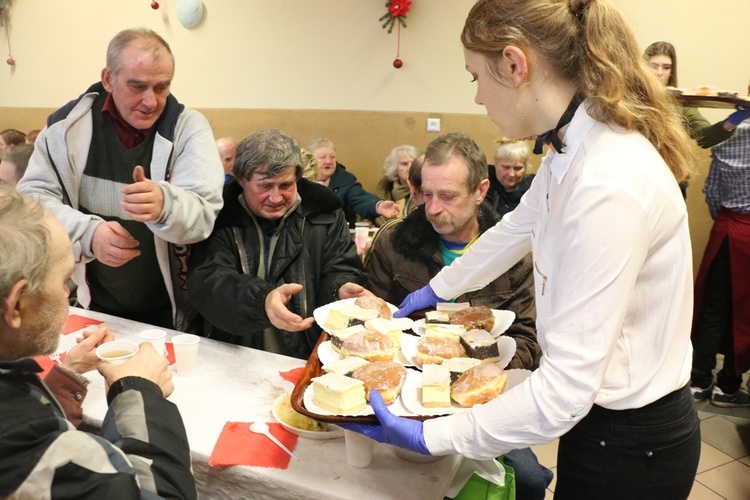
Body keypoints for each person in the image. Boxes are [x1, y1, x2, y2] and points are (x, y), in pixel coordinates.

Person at [346, 1, 701, 498]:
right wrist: (437, 288)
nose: (477, 97)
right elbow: (515, 229)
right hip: (602, 425)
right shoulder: (569, 148)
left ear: (515, 65)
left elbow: (563, 395)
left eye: (475, 77)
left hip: (631, 441)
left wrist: (434, 436)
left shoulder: (607, 181)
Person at [365, 132, 551, 499]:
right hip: (407, 396)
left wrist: (478, 371)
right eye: (426, 194)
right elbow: (377, 329)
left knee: (530, 481)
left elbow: (529, 340)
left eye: (448, 196)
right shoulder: (392, 242)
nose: (432, 208)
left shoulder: (514, 254)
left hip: (481, 401)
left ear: (481, 191)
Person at [17, 28, 224, 331]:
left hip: (175, 313)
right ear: (108, 78)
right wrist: (88, 235)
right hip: (95, 308)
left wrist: (166, 205)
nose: (151, 101)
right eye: (137, 86)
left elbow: (205, 214)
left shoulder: (189, 128)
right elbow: (32, 202)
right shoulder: (65, 128)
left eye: (161, 87)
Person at [0, 185, 196, 498]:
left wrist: (63, 379)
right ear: (17, 305)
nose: (68, 294)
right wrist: (139, 394)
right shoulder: (19, 448)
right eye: (65, 280)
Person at [187, 128, 367, 359]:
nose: (276, 197)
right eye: (265, 186)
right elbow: (210, 280)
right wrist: (262, 301)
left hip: (307, 352)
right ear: (241, 179)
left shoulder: (325, 212)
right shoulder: (218, 215)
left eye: (285, 185)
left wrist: (341, 287)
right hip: (235, 352)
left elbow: (340, 266)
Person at [690, 78, 750, 408]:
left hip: (726, 228)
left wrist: (725, 217)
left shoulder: (730, 133)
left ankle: (699, 381)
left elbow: (711, 191)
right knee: (746, 312)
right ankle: (728, 386)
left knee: (713, 306)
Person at [644, 41, 750, 197]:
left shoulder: (681, 103)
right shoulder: (630, 101)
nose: (660, 73)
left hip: (672, 184)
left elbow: (704, 137)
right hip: (641, 180)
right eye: (654, 66)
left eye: (666, 67)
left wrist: (731, 123)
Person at [308, 138, 400, 227]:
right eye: (322, 157)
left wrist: (378, 206)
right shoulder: (300, 181)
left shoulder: (345, 180)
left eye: (332, 157)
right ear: (310, 160)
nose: (328, 161)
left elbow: (360, 198)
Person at [485, 138, 535, 218]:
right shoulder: (484, 180)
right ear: (496, 164)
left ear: (525, 168)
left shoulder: (534, 186)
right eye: (506, 167)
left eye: (518, 168)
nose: (511, 174)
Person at [374, 144, 419, 224]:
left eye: (413, 163)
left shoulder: (421, 190)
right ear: (394, 168)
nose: (410, 168)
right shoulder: (385, 187)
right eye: (404, 164)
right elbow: (372, 215)